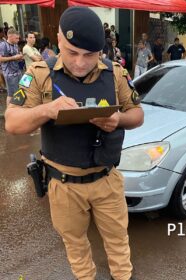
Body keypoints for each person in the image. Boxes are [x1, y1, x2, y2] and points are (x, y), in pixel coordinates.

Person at [5, 6, 144, 280]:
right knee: (76, 244)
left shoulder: (114, 73)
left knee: (118, 241)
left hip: (106, 180)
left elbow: (137, 114)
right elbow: (12, 122)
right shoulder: (40, 74)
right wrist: (47, 110)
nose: (80, 63)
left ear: (101, 51)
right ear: (58, 40)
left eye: (90, 55)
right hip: (64, 185)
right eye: (72, 53)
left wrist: (118, 119)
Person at [0, 28, 23, 105]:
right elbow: (0, 59)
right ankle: (9, 113)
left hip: (18, 71)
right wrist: (14, 57)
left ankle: (18, 108)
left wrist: (20, 57)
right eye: (16, 38)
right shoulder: (3, 45)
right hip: (9, 74)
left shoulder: (15, 45)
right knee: (11, 94)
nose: (18, 40)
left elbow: (16, 56)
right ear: (10, 37)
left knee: (20, 91)